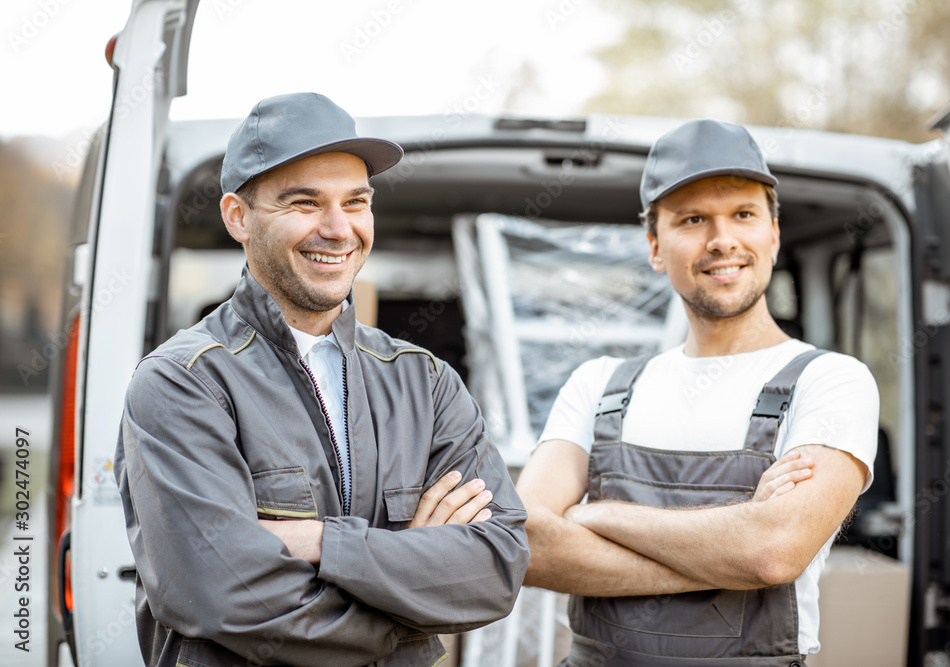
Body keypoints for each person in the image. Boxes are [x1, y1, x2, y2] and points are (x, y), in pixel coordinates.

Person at [114, 92, 529, 667]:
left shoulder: (425, 381)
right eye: (305, 203)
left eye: (355, 202)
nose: (338, 229)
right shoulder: (183, 384)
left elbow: (494, 571)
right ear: (238, 217)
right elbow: (220, 596)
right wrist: (411, 599)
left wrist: (319, 543)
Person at [516, 119, 878, 666]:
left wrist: (598, 516)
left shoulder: (830, 381)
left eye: (743, 215)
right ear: (656, 247)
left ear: (774, 235)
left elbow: (772, 553)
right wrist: (727, 546)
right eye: (693, 220)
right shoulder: (599, 384)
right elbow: (524, 546)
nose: (722, 240)